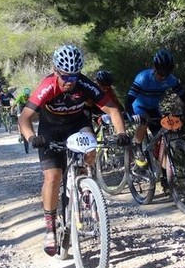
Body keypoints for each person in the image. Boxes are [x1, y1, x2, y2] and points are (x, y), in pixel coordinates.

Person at [18, 44, 130, 256]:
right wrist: (32, 138)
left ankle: (85, 188)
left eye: (74, 77)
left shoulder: (84, 84)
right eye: (65, 76)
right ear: (56, 70)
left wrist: (121, 133)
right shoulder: (48, 86)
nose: (69, 81)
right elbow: (24, 118)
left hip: (76, 124)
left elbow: (113, 109)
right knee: (53, 177)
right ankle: (50, 228)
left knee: (89, 149)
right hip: (50, 129)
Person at [125, 49, 185, 189]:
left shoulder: (171, 79)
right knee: (144, 122)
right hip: (139, 107)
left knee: (162, 140)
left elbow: (183, 95)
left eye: (166, 73)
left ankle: (165, 176)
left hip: (154, 108)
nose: (163, 77)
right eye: (161, 73)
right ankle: (138, 147)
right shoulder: (143, 78)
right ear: (154, 68)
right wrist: (132, 114)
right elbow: (128, 99)